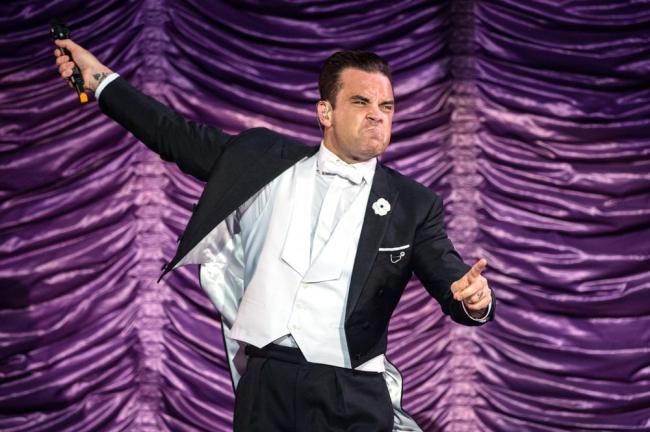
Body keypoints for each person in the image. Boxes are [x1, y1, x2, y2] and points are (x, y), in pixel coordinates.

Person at [54, 39, 495, 432]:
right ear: (325, 111)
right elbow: (172, 134)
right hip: (268, 382)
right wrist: (101, 81)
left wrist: (473, 300)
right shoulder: (264, 161)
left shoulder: (413, 203)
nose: (377, 115)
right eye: (361, 102)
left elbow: (450, 277)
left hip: (352, 390)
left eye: (387, 106)